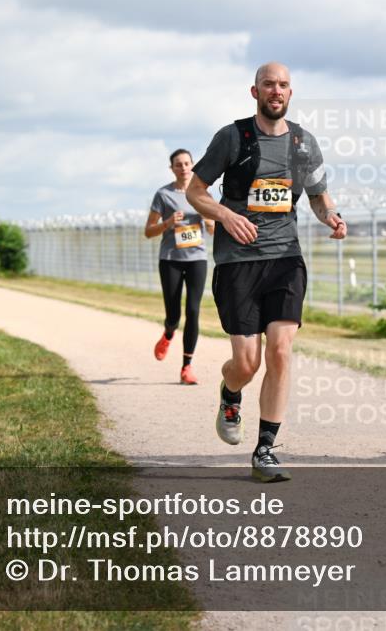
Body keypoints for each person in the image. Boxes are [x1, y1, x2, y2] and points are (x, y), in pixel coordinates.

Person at [187, 62, 346, 483]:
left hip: (285, 259)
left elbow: (319, 195)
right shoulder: (231, 137)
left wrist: (332, 217)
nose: (276, 91)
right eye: (268, 84)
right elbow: (195, 191)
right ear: (255, 91)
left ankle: (265, 450)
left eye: (283, 85)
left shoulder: (303, 142)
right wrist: (226, 216)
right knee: (246, 363)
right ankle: (231, 393)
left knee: (280, 351)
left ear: (290, 93)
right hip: (237, 262)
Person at [145, 149, 215, 385]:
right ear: (172, 168)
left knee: (193, 311)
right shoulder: (163, 195)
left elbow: (214, 229)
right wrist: (167, 223)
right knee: (174, 315)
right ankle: (168, 333)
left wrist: (208, 221)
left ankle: (187, 367)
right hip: (170, 259)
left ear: (192, 165)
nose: (183, 168)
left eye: (187, 163)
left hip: (197, 258)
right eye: (178, 164)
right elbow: (148, 231)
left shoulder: (203, 193)